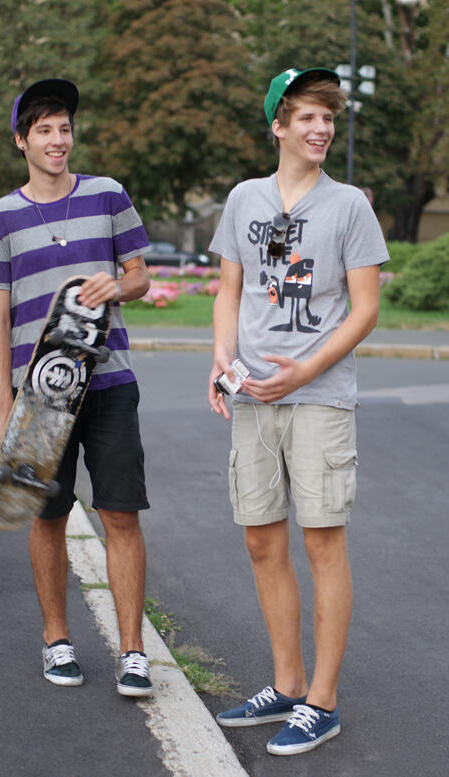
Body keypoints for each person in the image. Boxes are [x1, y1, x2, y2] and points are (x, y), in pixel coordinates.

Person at [208, 67, 389, 755]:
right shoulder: (244, 199)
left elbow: (366, 308)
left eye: (328, 117)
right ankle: (286, 683)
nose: (321, 129)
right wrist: (222, 359)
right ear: (277, 125)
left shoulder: (349, 207)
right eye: (307, 116)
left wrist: (306, 369)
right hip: (253, 392)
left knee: (322, 540)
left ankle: (323, 699)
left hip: (317, 397)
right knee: (261, 538)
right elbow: (230, 290)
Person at [0, 78, 153, 697]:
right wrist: (3, 407)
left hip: (108, 381)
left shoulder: (107, 196)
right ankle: (57, 640)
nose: (58, 140)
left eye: (65, 129)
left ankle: (134, 652)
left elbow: (140, 277)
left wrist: (116, 286)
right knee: (46, 516)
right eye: (45, 130)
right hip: (41, 395)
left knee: (120, 514)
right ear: (22, 140)